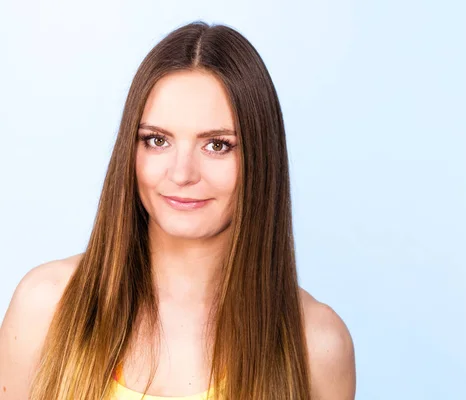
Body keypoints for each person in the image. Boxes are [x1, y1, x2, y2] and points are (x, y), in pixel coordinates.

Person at [0, 21, 355, 400]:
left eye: (217, 145)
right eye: (156, 140)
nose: (182, 173)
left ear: (261, 158)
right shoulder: (45, 307)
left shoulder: (317, 345)